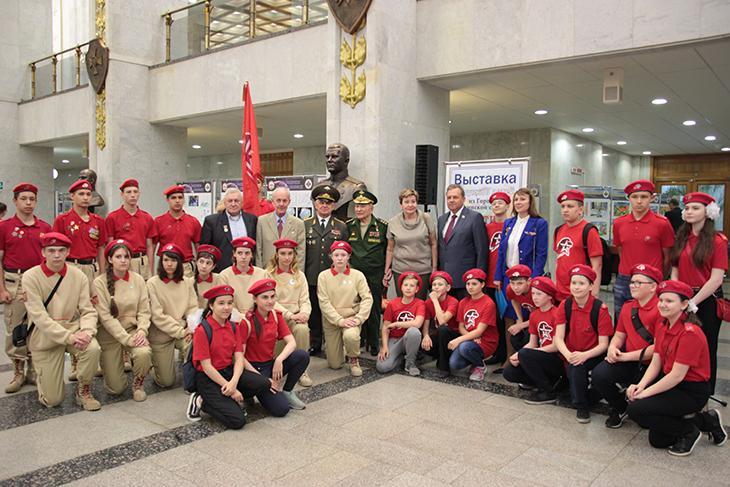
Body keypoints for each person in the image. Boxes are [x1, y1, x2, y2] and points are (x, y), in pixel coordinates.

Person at [627, 280, 726, 456]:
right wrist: (640, 386)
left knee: (637, 409)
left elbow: (677, 376)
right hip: (671, 384)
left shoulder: (690, 333)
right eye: (661, 300)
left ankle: (689, 432)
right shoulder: (662, 324)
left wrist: (645, 394)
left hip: (691, 391)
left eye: (669, 301)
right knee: (658, 441)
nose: (663, 304)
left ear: (684, 304)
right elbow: (656, 362)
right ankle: (706, 421)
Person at [22, 232, 101, 410]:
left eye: (61, 250)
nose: (56, 255)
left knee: (92, 348)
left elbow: (88, 310)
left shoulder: (79, 276)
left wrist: (87, 332)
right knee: (53, 400)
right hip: (45, 337)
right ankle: (44, 379)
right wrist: (69, 337)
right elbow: (40, 318)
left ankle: (83, 389)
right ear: (43, 252)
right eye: (51, 250)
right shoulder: (30, 277)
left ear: (68, 252)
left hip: (73, 330)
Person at [186, 284, 271, 429]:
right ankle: (201, 401)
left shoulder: (233, 326)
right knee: (238, 421)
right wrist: (230, 387)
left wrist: (233, 383)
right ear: (211, 306)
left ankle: (227, 399)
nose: (226, 307)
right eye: (221, 303)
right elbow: (206, 367)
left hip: (228, 371)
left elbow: (239, 358)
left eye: (230, 303)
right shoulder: (202, 330)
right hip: (208, 378)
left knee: (264, 383)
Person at [670, 192, 727, 394]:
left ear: (708, 212)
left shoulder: (718, 241)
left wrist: (693, 301)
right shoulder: (682, 238)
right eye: (687, 208)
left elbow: (716, 279)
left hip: (707, 300)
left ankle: (705, 393)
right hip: (683, 299)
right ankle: (683, 386)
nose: (689, 211)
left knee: (707, 346)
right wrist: (677, 294)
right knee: (681, 343)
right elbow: (675, 268)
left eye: (695, 208)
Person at [592, 263, 661, 429]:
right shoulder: (628, 306)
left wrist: (624, 356)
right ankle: (620, 406)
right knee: (599, 375)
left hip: (653, 366)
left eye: (639, 282)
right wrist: (612, 348)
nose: (633, 286)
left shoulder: (661, 309)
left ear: (653, 287)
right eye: (632, 282)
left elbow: (657, 349)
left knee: (643, 415)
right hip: (629, 361)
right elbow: (619, 334)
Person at [0, 183, 52, 393]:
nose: (28, 203)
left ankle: (33, 370)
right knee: (15, 327)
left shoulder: (45, 228)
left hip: (38, 281)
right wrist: (2, 289)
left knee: (37, 326)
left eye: (32, 199)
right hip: (15, 280)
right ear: (15, 201)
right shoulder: (4, 227)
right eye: (23, 199)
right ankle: (18, 371)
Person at [93, 239, 152, 402]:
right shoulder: (99, 283)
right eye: (118, 257)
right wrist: (126, 339)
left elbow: (144, 310)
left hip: (132, 330)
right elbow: (105, 318)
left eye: (126, 256)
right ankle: (113, 370)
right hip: (109, 335)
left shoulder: (138, 280)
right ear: (110, 259)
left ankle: (138, 384)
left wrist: (142, 331)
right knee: (116, 389)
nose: (123, 260)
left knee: (144, 352)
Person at [553, 265, 613, 423]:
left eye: (581, 283)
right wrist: (568, 355)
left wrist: (583, 356)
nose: (576, 287)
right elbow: (558, 337)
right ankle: (573, 392)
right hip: (570, 353)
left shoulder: (600, 309)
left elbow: (604, 344)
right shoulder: (565, 305)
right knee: (574, 364)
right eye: (574, 283)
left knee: (577, 366)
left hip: (593, 354)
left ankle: (582, 405)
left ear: (591, 286)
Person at [243, 279, 310, 415]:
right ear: (255, 299)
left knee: (302, 356)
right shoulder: (247, 321)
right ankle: (247, 393)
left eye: (272, 296)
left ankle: (287, 391)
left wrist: (279, 360)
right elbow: (239, 357)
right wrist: (263, 381)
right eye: (265, 297)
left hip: (269, 365)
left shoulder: (276, 315)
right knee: (281, 409)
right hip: (252, 370)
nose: (270, 301)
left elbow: (291, 342)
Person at [612, 180, 674, 319]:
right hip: (624, 279)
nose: (639, 201)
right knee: (621, 320)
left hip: (651, 280)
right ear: (629, 198)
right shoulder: (619, 223)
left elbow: (668, 256)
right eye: (635, 197)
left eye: (644, 197)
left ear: (651, 198)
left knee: (649, 322)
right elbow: (621, 250)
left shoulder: (662, 224)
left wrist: (658, 279)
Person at [503, 276, 563, 404]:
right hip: (540, 356)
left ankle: (548, 392)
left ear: (550, 296)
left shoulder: (557, 314)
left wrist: (528, 353)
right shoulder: (534, 315)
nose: (535, 297)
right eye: (533, 294)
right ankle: (542, 382)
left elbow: (556, 346)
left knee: (525, 354)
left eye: (539, 294)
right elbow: (532, 343)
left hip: (557, 358)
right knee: (509, 372)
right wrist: (517, 355)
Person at [317, 241, 373, 376]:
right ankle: (340, 349)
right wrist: (339, 321)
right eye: (336, 255)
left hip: (351, 318)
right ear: (331, 256)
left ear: (349, 257)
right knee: (335, 365)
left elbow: (367, 299)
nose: (340, 258)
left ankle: (353, 359)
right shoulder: (323, 276)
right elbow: (324, 302)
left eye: (343, 255)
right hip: (332, 321)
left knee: (351, 336)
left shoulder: (357, 275)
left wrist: (359, 318)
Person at [303, 185, 348, 355]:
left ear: (333, 205)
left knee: (332, 311)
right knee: (314, 312)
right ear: (315, 204)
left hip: (333, 278)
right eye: (321, 202)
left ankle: (332, 344)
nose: (324, 205)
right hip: (312, 276)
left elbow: (345, 253)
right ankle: (315, 343)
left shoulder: (341, 227)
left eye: (328, 203)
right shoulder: (305, 224)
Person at [146, 242, 197, 387]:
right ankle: (155, 365)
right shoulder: (152, 283)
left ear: (179, 262)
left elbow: (192, 308)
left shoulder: (186, 282)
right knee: (166, 382)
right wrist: (180, 331)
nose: (169, 264)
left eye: (173, 260)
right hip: (161, 335)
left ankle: (192, 378)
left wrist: (191, 328)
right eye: (166, 260)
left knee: (195, 344)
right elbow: (157, 315)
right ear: (161, 262)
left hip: (183, 332)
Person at [265, 238, 313, 387]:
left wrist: (304, 314)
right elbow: (270, 301)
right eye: (283, 253)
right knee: (275, 357)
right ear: (276, 254)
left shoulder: (300, 275)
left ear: (294, 255)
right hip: (276, 317)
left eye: (290, 253)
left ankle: (302, 370)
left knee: (302, 329)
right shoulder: (268, 274)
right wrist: (289, 315)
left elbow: (305, 300)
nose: (286, 257)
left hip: (296, 317)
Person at [346, 190, 388, 355]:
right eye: (357, 206)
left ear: (371, 207)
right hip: (355, 274)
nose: (358, 209)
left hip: (375, 274)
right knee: (356, 307)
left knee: (374, 307)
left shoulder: (382, 226)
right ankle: (359, 340)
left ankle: (374, 342)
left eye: (363, 206)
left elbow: (388, 250)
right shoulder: (349, 225)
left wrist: (386, 273)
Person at [53, 179, 107, 293]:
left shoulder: (98, 221)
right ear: (72, 196)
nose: (85, 197)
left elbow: (101, 248)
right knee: (72, 301)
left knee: (94, 300)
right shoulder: (62, 220)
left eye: (88, 194)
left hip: (92, 268)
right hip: (71, 266)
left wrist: (102, 273)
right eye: (81, 194)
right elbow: (57, 248)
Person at [383, 188, 437, 301]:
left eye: (413, 201)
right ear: (401, 204)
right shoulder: (393, 222)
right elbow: (390, 249)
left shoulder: (426, 218)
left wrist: (434, 268)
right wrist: (387, 269)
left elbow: (433, 244)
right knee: (403, 303)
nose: (410, 205)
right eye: (406, 202)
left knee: (420, 304)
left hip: (422, 270)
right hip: (400, 270)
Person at [438, 184, 488, 301]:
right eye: (449, 197)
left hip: (467, 280)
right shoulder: (442, 219)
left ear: (464, 199)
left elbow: (481, 249)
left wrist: (479, 277)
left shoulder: (474, 217)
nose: (451, 200)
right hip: (445, 279)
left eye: (455, 197)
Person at [553, 190, 603, 300]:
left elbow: (597, 265)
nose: (565, 210)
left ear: (580, 209)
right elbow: (559, 259)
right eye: (563, 206)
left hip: (580, 291)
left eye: (570, 206)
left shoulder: (589, 231)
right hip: (560, 291)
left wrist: (594, 293)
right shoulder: (559, 230)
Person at [449, 268, 497, 381]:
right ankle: (474, 360)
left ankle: (480, 366)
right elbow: (461, 326)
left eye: (474, 284)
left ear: (482, 284)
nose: (470, 287)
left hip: (485, 341)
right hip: (469, 339)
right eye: (468, 284)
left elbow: (480, 331)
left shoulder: (488, 303)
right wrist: (469, 339)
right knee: (455, 364)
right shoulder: (463, 302)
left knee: (464, 347)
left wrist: (459, 340)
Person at [105, 179, 157, 279]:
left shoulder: (147, 218)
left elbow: (149, 246)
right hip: (122, 260)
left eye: (135, 192)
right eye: (128, 192)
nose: (132, 195)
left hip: (141, 262)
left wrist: (150, 270)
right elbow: (110, 245)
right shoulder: (112, 217)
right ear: (122, 194)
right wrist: (110, 268)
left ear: (139, 194)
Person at [376, 271, 426, 376]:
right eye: (405, 285)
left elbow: (417, 323)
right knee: (382, 367)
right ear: (401, 287)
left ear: (417, 289)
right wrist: (384, 346)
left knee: (414, 331)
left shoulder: (420, 303)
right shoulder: (392, 304)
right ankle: (401, 359)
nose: (408, 288)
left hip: (410, 339)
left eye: (412, 286)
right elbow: (385, 327)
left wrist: (397, 324)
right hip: (395, 340)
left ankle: (410, 363)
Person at [200, 187, 258, 273]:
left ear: (242, 203)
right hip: (221, 271)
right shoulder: (211, 221)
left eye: (236, 201)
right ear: (224, 202)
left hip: (247, 270)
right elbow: (205, 249)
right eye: (230, 201)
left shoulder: (252, 219)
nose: (233, 204)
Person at [154, 185, 202, 278]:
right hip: (166, 267)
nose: (177, 201)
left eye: (180, 197)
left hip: (186, 267)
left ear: (184, 200)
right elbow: (152, 246)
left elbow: (198, 247)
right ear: (167, 200)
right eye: (173, 198)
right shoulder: (158, 221)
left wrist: (199, 269)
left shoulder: (193, 221)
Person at [420, 271, 460, 378]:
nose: (436, 287)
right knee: (421, 341)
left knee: (443, 329)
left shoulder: (453, 301)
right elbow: (426, 323)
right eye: (434, 285)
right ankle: (440, 356)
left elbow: (442, 321)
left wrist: (435, 301)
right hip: (439, 336)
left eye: (440, 284)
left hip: (453, 337)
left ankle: (444, 367)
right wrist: (426, 336)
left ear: (448, 288)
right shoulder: (427, 303)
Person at [256, 185, 305, 269]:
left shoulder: (298, 224)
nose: (281, 204)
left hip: (290, 272)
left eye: (284, 201)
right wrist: (260, 273)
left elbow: (301, 253)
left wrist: (298, 273)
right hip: (267, 271)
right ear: (272, 202)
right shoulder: (262, 221)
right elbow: (258, 251)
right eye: (278, 200)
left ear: (289, 202)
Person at [315, 143, 368, 221]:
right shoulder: (318, 187)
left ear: (346, 161)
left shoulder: (356, 187)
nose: (329, 160)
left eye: (334, 157)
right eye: (327, 157)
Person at [219, 237, 268, 315]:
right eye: (240, 253)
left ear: (252, 255)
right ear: (234, 254)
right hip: (232, 318)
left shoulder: (262, 274)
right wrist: (240, 317)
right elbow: (225, 302)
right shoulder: (224, 275)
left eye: (247, 253)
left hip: (257, 317)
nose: (243, 257)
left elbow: (266, 300)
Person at [502, 264, 536, 360]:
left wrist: (522, 325)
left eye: (520, 283)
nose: (515, 287)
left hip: (546, 320)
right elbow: (514, 300)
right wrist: (519, 319)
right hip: (532, 318)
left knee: (528, 337)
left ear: (529, 281)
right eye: (512, 283)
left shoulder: (536, 289)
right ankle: (521, 360)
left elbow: (543, 315)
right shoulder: (510, 289)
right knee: (515, 338)